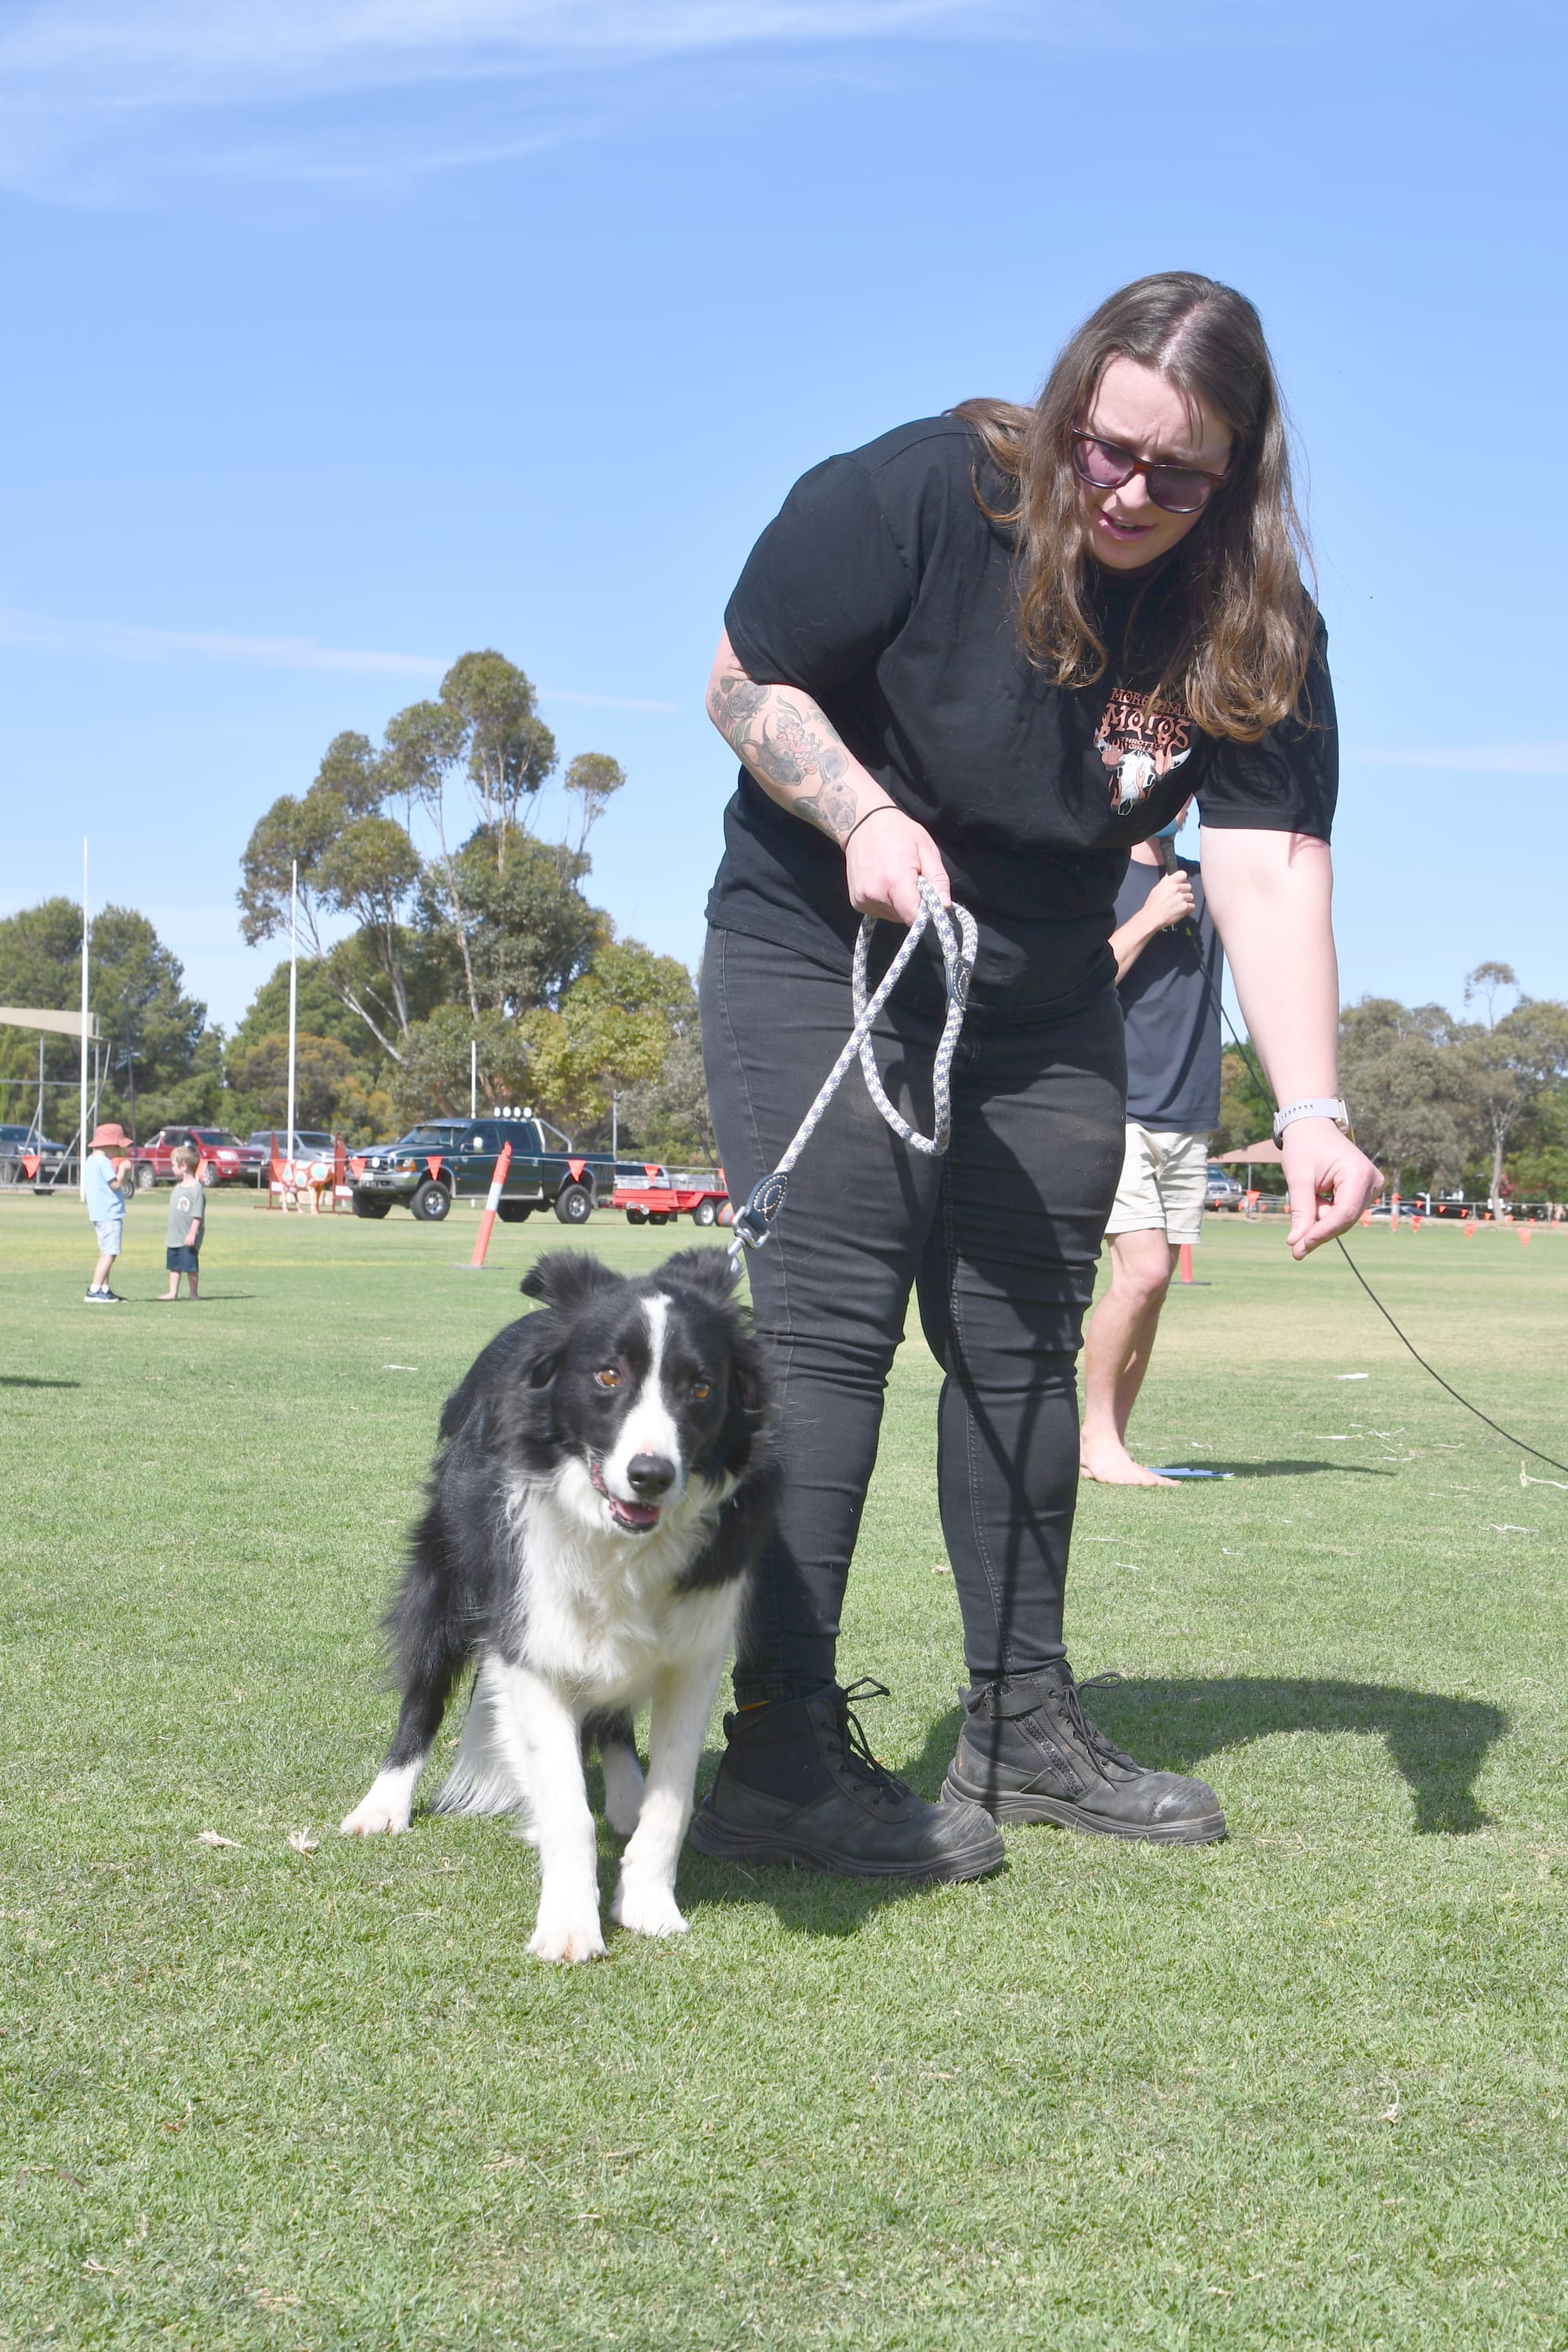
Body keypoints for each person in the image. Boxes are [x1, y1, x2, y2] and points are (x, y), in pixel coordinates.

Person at [689, 271, 1379, 1886]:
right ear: (1069, 406)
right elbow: (737, 679)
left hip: (1045, 985)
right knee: (834, 1326)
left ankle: (1021, 1719)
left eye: (1177, 474)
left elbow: (1268, 866)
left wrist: (1316, 1105)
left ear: (1240, 472)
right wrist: (859, 812)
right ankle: (778, 1750)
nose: (1127, 492)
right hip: (830, 946)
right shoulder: (925, 494)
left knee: (1017, 1347)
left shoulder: (1251, 625)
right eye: (1106, 448)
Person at [1079, 802, 1221, 1486]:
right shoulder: (1098, 879)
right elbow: (1080, 982)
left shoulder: (1208, 886)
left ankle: (1114, 1444)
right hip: (1119, 1104)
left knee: (1153, 1289)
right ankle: (1095, 1439)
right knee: (1145, 1272)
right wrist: (1150, 916)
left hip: (1188, 1114)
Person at [83, 1121, 136, 1305]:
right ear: (110, 1145)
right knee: (110, 1253)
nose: (119, 1152)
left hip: (98, 1213)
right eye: (118, 1148)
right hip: (109, 1213)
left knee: (105, 1251)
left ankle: (105, 1289)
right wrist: (122, 1169)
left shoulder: (90, 1161)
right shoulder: (103, 1162)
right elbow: (115, 1185)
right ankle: (94, 1290)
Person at [157, 1146, 206, 1301]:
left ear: (184, 1166)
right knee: (174, 1266)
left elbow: (197, 1214)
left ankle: (194, 1293)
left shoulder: (196, 1189)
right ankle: (173, 1292)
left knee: (190, 1267)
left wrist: (192, 1233)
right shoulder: (177, 1188)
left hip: (187, 1238)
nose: (172, 1168)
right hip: (174, 1236)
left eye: (173, 1165)